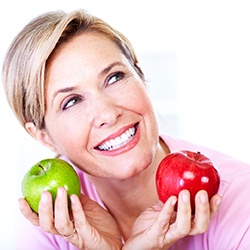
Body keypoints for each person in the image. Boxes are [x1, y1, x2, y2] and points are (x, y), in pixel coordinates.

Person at [2, 9, 250, 250]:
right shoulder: (53, 215)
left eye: (114, 78)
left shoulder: (239, 199)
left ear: (140, 75)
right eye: (72, 102)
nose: (108, 114)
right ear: (43, 137)